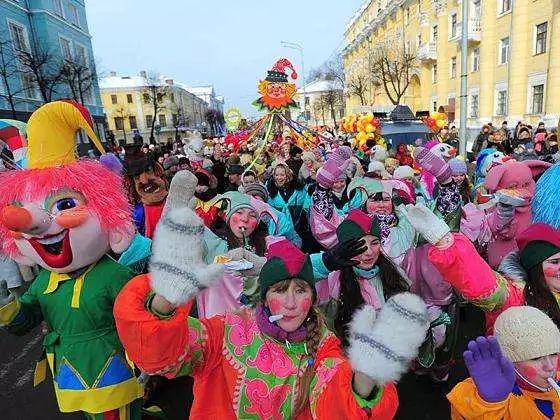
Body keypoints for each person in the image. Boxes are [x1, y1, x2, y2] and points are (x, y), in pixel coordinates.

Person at [113, 205, 430, 419]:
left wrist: (366, 376)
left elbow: (333, 401)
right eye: (280, 290)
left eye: (301, 290)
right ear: (264, 295)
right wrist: (165, 300)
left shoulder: (322, 345)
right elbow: (166, 355)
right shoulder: (226, 331)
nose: (291, 303)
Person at [0, 101, 143, 418]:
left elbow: (142, 321)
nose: (33, 223)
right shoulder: (44, 280)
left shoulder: (113, 276)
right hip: (69, 374)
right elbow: (23, 323)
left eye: (64, 204)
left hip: (113, 370)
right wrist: (6, 305)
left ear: (112, 219)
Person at [448, 306, 560, 419]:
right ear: (510, 361)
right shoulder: (485, 391)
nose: (550, 367)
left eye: (553, 354)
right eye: (536, 358)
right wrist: (488, 405)